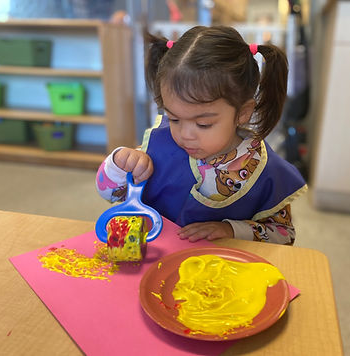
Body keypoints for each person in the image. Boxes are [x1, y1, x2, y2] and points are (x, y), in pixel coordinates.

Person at [96, 26, 307, 245]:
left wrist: (231, 229)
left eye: (203, 124)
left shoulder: (265, 169)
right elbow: (109, 193)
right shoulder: (160, 145)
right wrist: (118, 163)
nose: (185, 135)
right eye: (174, 119)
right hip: (155, 260)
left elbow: (284, 236)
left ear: (243, 112)